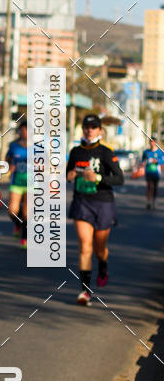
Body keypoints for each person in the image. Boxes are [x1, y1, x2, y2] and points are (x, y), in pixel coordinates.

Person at [66, 114, 123, 306]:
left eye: (93, 127)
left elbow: (119, 178)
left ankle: (103, 265)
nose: (89, 130)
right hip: (82, 202)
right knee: (85, 245)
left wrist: (98, 178)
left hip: (103, 203)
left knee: (99, 249)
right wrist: (71, 175)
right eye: (86, 127)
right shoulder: (75, 151)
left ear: (100, 130)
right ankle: (85, 292)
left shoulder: (106, 152)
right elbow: (68, 173)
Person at [5, 120, 28, 247]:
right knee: (12, 211)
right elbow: (7, 160)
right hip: (16, 182)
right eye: (23, 129)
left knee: (26, 213)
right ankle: (18, 225)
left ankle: (24, 238)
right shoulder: (14, 146)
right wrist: (10, 167)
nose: (25, 132)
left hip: (32, 184)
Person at [141, 138, 164, 209]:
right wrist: (143, 163)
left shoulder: (159, 152)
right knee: (149, 187)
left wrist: (156, 161)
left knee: (155, 187)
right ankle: (148, 202)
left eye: (153, 142)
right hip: (148, 171)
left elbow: (162, 162)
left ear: (155, 143)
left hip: (156, 172)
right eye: (150, 142)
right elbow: (142, 161)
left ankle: (154, 201)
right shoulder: (146, 152)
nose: (152, 143)